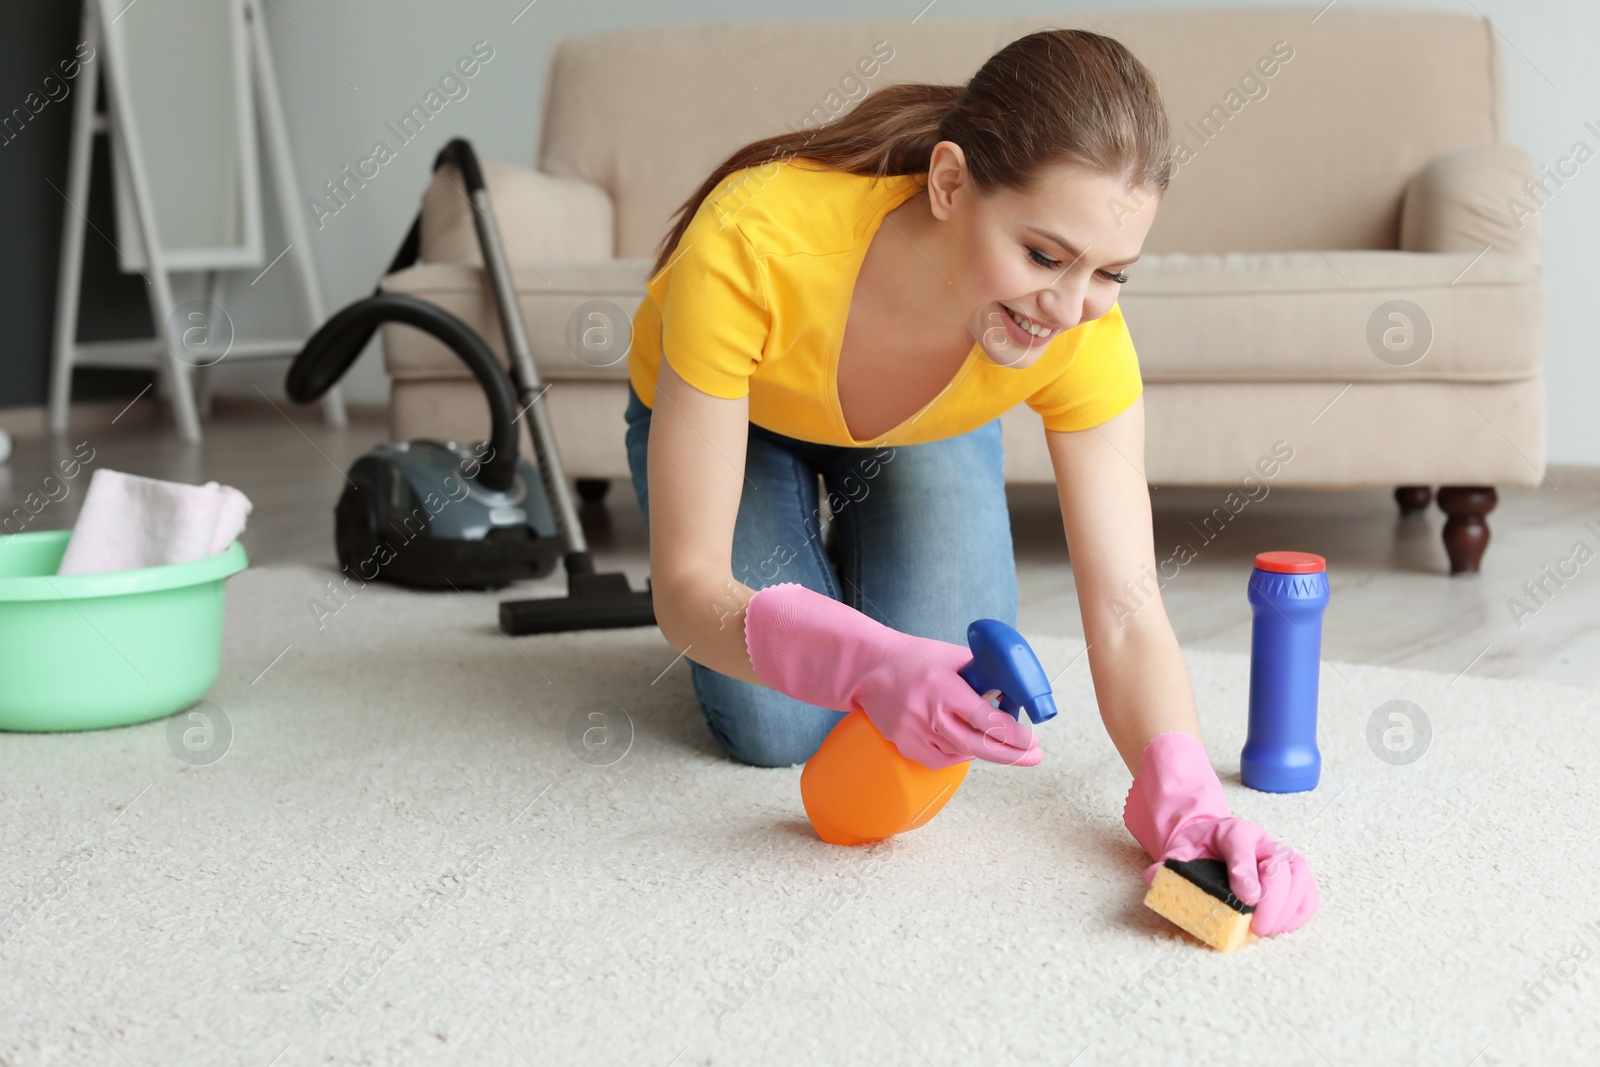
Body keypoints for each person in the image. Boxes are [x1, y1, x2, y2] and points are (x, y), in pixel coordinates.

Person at [623, 28, 1317, 938]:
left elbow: (1126, 607)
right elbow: (686, 592)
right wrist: (867, 659)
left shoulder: (1077, 335)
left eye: (1110, 272)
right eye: (1042, 254)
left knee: (953, 691)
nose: (1068, 309)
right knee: (783, 725)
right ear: (950, 185)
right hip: (740, 419)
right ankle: (825, 592)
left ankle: (833, 593)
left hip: (922, 428)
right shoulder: (752, 240)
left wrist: (1186, 799)